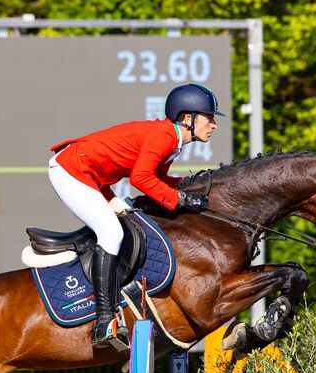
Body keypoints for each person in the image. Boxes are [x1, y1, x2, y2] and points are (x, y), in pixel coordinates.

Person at [48, 83, 223, 352]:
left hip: (93, 177)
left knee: (123, 224)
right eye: (209, 117)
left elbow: (160, 179)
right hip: (73, 170)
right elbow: (141, 179)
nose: (213, 124)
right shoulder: (164, 136)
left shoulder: (173, 141)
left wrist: (190, 185)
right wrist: (181, 199)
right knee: (112, 233)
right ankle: (104, 320)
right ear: (188, 118)